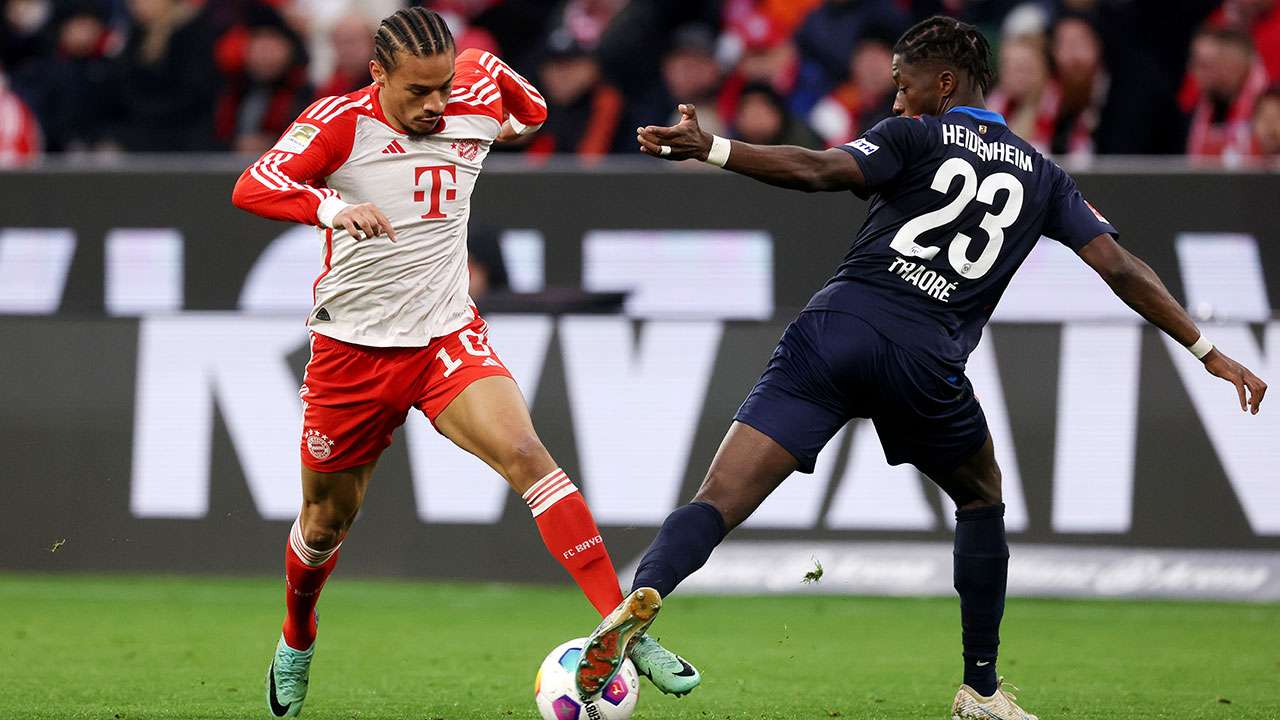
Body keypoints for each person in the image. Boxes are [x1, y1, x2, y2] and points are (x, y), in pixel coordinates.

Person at [580, 15, 1269, 719]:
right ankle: (981, 687)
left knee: (717, 498)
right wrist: (1205, 349)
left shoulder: (914, 136)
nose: (896, 103)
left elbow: (820, 171)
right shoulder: (1041, 172)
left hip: (835, 328)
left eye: (904, 87)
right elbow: (1118, 266)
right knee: (981, 494)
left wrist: (713, 147)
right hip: (924, 357)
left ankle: (645, 597)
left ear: (944, 84)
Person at [230, 8, 676, 716]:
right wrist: (328, 209)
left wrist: (494, 74)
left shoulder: (464, 103)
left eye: (444, 86)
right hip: (353, 350)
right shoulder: (340, 122)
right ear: (378, 75)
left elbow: (531, 114)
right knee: (322, 524)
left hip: (445, 337)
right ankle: (297, 635)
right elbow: (253, 185)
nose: (436, 105)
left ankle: (623, 630)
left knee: (528, 455)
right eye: (418, 92)